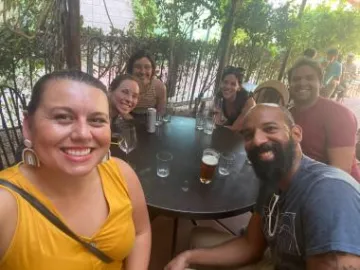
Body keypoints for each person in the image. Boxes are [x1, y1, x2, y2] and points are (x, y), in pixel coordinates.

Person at [165, 104, 360, 270]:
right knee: (196, 239)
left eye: (270, 129)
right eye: (249, 135)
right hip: (273, 261)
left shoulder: (327, 193)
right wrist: (187, 258)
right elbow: (251, 245)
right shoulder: (272, 180)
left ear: (296, 133)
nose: (257, 140)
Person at [0, 70, 151, 269]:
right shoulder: (5, 205)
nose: (82, 134)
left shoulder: (122, 174)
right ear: (28, 126)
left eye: (97, 120)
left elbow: (141, 232)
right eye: (63, 117)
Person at [288, 57, 360, 181]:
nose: (302, 83)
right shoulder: (289, 114)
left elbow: (340, 174)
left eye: (309, 78)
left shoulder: (338, 114)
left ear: (321, 83)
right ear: (290, 84)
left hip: (336, 189)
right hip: (299, 182)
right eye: (296, 79)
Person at [214, 66, 256, 130]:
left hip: (250, 133)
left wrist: (221, 127)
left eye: (233, 84)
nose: (227, 86)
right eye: (225, 82)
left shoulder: (248, 101)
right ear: (221, 83)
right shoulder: (220, 96)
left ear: (239, 87)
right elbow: (217, 122)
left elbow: (235, 128)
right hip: (233, 130)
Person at [127, 50, 167, 115]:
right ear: (131, 69)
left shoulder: (159, 87)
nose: (142, 72)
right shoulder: (124, 85)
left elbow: (160, 114)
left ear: (152, 69)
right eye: (138, 67)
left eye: (147, 67)